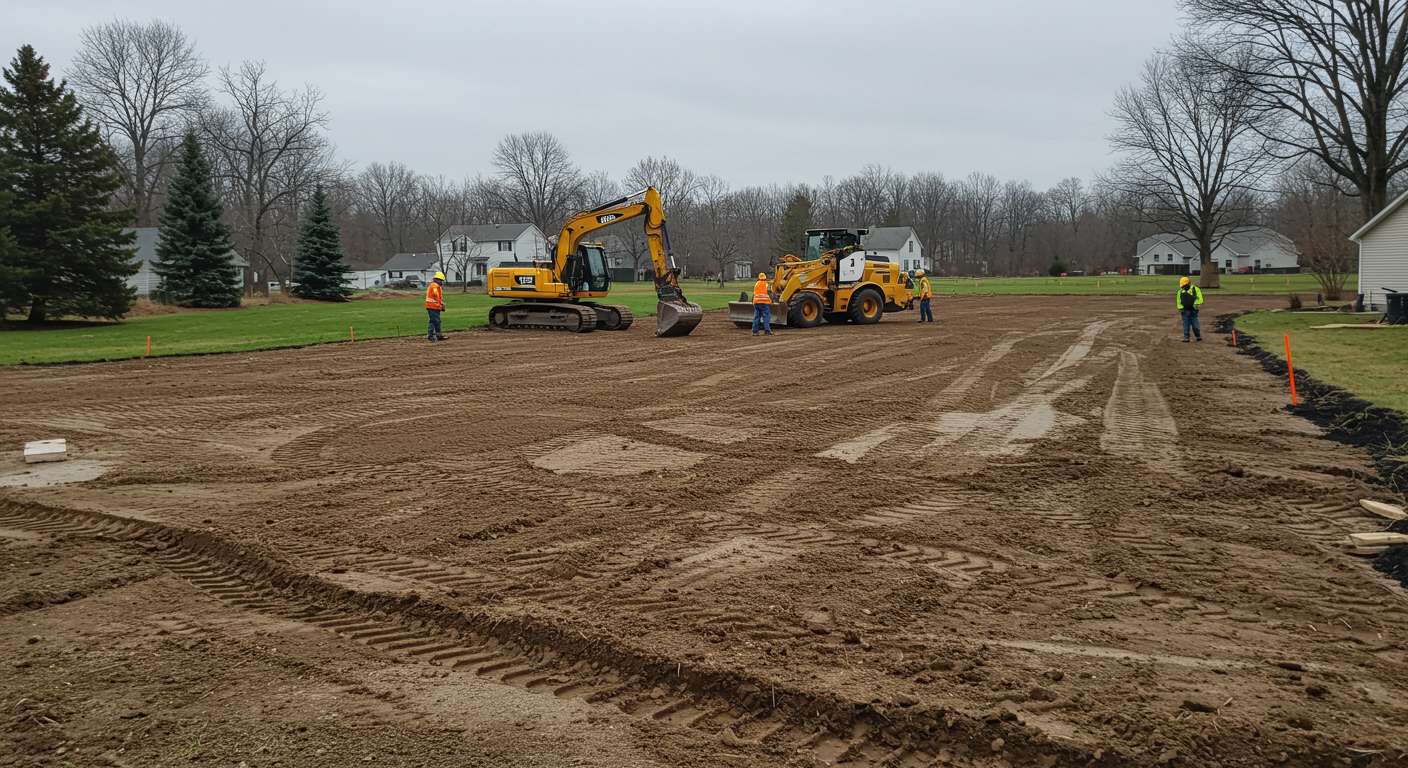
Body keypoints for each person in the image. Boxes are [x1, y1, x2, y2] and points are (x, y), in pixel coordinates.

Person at [1176, 276, 1203, 342]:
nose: (1183, 287)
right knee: (1186, 324)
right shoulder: (1180, 292)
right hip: (1185, 310)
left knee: (1195, 324)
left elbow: (1200, 299)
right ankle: (1186, 337)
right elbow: (1179, 301)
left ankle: (1198, 336)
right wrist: (1180, 308)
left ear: (1188, 283)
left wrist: (1195, 304)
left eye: (1184, 285)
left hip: (1193, 310)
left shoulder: (1195, 289)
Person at [425, 271, 446, 341]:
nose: (442, 282)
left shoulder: (436, 286)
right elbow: (436, 296)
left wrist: (441, 304)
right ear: (437, 279)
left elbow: (437, 298)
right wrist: (441, 305)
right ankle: (436, 335)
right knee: (436, 321)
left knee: (433, 321)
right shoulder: (435, 286)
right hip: (432, 306)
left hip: (433, 306)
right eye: (441, 280)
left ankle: (432, 335)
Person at [751, 272, 773, 336]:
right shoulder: (767, 285)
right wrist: (772, 301)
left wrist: (753, 301)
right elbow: (770, 293)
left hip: (756, 302)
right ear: (765, 278)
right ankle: (767, 331)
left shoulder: (756, 284)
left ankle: (755, 331)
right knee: (766, 316)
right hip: (764, 303)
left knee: (756, 317)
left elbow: (755, 293)